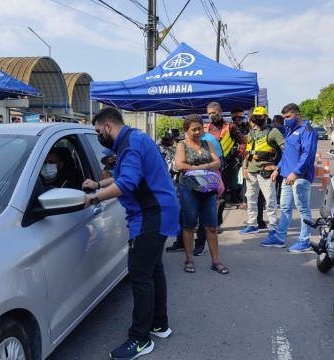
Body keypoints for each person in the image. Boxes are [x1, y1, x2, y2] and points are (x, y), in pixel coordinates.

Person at [82, 107, 179, 360]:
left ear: (107, 127)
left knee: (139, 274)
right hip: (158, 210)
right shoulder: (132, 140)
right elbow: (126, 176)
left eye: (97, 131)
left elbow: (127, 183)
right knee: (153, 269)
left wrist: (93, 198)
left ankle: (140, 339)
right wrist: (100, 183)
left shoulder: (132, 144)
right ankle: (159, 324)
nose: (98, 136)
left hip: (151, 214)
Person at [174, 114, 229, 275]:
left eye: (200, 129)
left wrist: (195, 167)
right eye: (194, 129)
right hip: (188, 189)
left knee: (211, 226)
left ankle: (216, 261)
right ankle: (189, 260)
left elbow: (217, 162)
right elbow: (179, 165)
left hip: (208, 189)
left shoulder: (207, 143)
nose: (198, 132)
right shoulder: (181, 145)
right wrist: (205, 167)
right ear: (186, 130)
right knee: (189, 224)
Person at [261, 103, 318, 252]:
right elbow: (287, 154)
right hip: (287, 175)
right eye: (284, 117)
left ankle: (304, 241)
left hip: (300, 177)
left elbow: (308, 154)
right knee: (285, 207)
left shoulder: (307, 130)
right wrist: (278, 168)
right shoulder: (290, 130)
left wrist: (296, 172)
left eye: (288, 116)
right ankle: (280, 238)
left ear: (297, 114)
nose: (286, 120)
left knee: (303, 209)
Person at [240, 106, 285, 235]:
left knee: (270, 200)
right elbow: (248, 152)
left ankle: (272, 226)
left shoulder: (274, 132)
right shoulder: (251, 133)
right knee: (251, 199)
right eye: (255, 117)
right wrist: (244, 168)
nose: (257, 119)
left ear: (265, 117)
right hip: (251, 171)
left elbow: (286, 151)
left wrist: (278, 168)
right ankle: (252, 224)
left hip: (266, 172)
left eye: (260, 117)